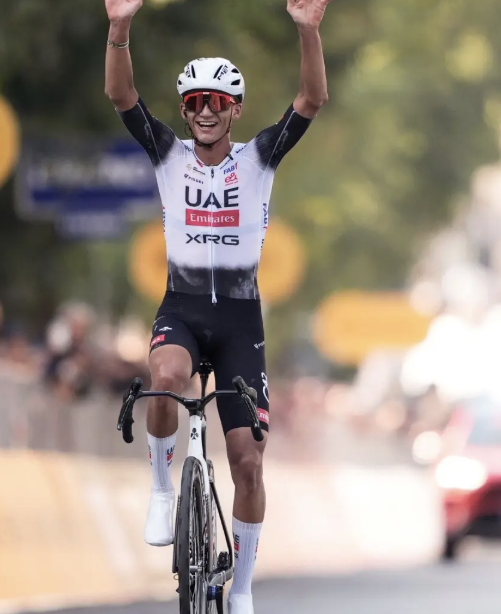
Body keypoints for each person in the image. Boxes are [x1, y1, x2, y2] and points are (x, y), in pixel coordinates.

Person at [103, 0, 331, 611]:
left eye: (216, 102)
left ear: (233, 110)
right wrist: (119, 28)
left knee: (247, 463)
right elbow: (122, 97)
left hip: (238, 322)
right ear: (185, 111)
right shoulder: (167, 155)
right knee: (166, 378)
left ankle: (245, 586)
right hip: (181, 307)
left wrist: (308, 33)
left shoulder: (258, 157)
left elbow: (311, 100)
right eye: (195, 102)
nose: (205, 112)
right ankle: (159, 485)